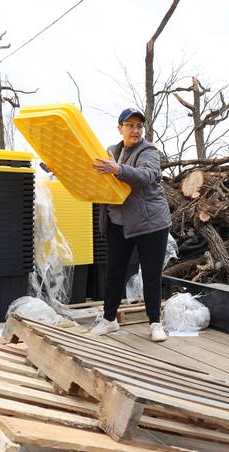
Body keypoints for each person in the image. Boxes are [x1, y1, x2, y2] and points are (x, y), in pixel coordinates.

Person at [90, 108, 171, 342]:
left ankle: (155, 322)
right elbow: (93, 173)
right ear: (120, 128)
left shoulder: (150, 151)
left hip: (150, 222)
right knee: (114, 271)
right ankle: (109, 320)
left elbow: (146, 175)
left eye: (139, 126)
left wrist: (117, 169)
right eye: (130, 125)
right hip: (118, 221)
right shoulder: (111, 152)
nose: (135, 130)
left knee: (151, 273)